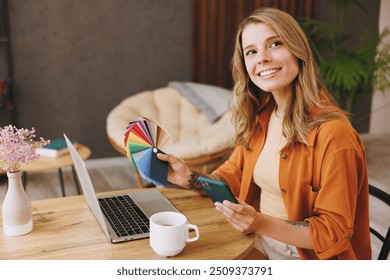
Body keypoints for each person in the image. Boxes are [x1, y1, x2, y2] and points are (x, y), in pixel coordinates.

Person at [157, 7, 371, 260]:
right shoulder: (262, 117)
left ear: (298, 50)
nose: (262, 58)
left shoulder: (335, 135)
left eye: (275, 44)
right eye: (252, 51)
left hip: (303, 257)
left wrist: (259, 223)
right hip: (258, 241)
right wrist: (189, 178)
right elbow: (231, 176)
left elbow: (334, 231)